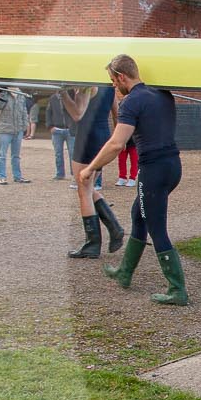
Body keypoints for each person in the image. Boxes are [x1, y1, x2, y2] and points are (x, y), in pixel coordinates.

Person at [77, 54, 185, 305]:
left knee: (157, 228)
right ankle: (124, 272)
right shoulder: (163, 95)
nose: (114, 87)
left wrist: (90, 169)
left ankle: (178, 289)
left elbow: (116, 144)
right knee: (139, 214)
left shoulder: (131, 102)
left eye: (113, 82)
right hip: (172, 166)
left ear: (121, 77)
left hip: (153, 171)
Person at [66, 82, 123, 259]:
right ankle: (114, 229)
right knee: (89, 188)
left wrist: (61, 94)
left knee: (83, 190)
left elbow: (77, 113)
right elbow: (117, 114)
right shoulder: (109, 86)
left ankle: (93, 243)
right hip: (102, 136)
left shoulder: (86, 85)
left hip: (86, 138)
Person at [0, 86, 33, 184]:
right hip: (5, 129)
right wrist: (2, 93)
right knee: (2, 155)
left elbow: (24, 111)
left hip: (18, 129)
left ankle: (17, 176)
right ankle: (1, 176)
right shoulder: (2, 93)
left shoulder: (21, 95)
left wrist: (24, 125)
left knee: (16, 155)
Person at [46, 90, 74, 181]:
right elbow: (48, 112)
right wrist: (50, 126)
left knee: (72, 153)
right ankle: (60, 173)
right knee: (58, 153)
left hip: (70, 129)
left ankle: (74, 173)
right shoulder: (53, 98)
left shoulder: (71, 96)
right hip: (57, 129)